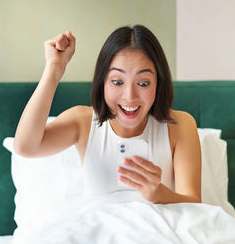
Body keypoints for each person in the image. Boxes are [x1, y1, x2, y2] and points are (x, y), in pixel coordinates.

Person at [14, 25, 201, 204]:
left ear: (158, 83)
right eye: (117, 82)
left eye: (143, 83)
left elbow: (194, 202)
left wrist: (159, 193)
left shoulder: (180, 125)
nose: (130, 96)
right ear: (102, 82)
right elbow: (25, 147)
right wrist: (54, 68)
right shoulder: (83, 121)